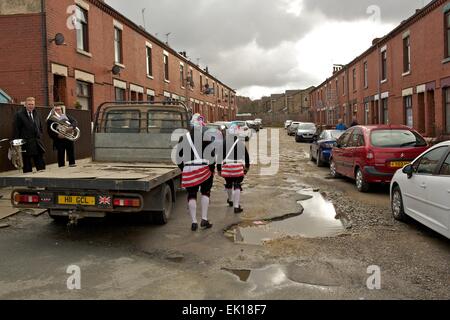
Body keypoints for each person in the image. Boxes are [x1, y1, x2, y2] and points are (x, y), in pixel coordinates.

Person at [176, 114, 216, 231]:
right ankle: (204, 218)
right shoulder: (207, 137)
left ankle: (194, 222)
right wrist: (212, 169)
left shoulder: (183, 138)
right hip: (204, 167)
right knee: (205, 192)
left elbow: (178, 157)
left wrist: (184, 168)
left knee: (191, 195)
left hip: (189, 168)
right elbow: (212, 156)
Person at [217, 124, 250, 214]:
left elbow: (219, 157)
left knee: (228, 183)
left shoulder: (224, 142)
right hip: (238, 168)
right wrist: (247, 167)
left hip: (227, 167)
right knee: (237, 185)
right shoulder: (240, 143)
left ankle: (230, 200)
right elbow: (246, 157)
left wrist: (219, 169)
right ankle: (236, 206)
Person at [13, 97, 46, 173]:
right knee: (27, 164)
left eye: (32, 104)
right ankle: (29, 182)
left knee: (41, 164)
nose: (31, 106)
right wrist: (17, 143)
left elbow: (40, 127)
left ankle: (42, 182)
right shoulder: (19, 114)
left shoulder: (37, 113)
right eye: (29, 104)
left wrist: (40, 136)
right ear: (25, 105)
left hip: (37, 143)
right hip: (26, 143)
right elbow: (16, 129)